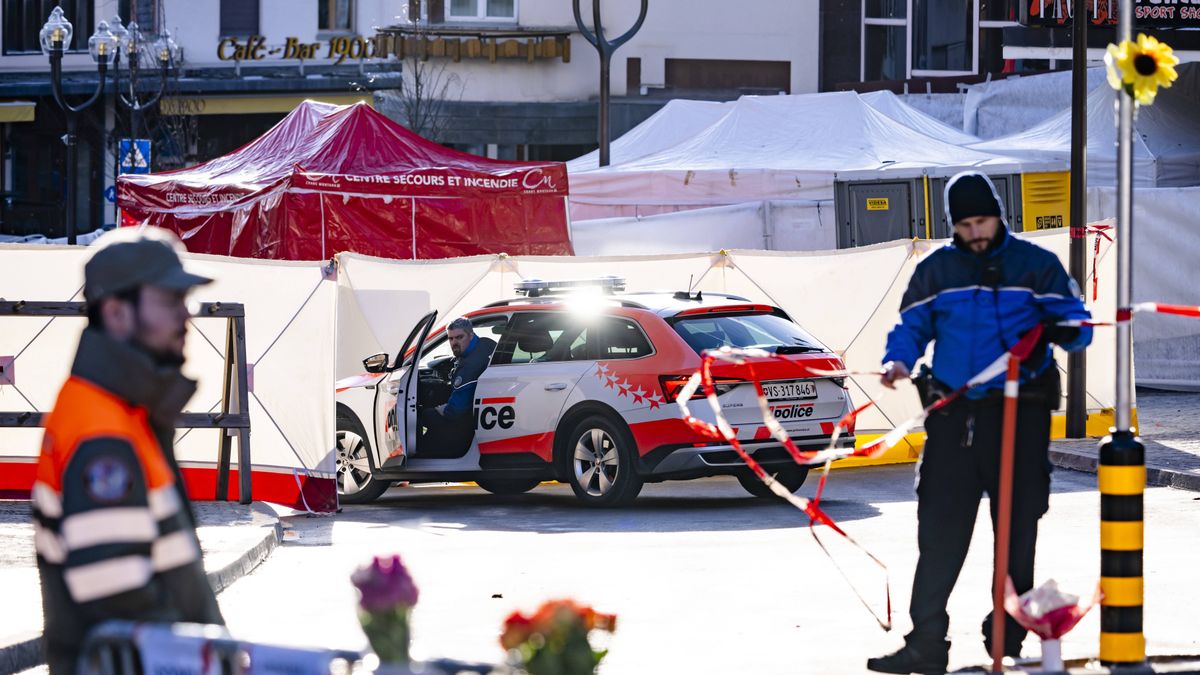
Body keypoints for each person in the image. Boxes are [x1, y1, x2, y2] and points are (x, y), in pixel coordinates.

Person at [867, 172, 1092, 674]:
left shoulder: (1037, 265)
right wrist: (897, 360)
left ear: (999, 215)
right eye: (965, 224)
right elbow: (910, 326)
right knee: (939, 533)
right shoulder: (937, 270)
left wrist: (1065, 327)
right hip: (952, 420)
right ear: (954, 226)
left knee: (1017, 531)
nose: (976, 231)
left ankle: (1006, 635)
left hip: (1020, 417)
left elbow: (1078, 326)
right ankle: (926, 643)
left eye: (983, 220)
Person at [31, 228, 225, 675]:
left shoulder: (118, 412)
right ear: (117, 312)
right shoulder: (102, 429)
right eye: (170, 301)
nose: (185, 317)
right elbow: (115, 591)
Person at [417, 317, 496, 458]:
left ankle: (422, 451)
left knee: (426, 414)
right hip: (481, 412)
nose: (454, 343)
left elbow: (455, 411)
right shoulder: (486, 343)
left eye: (459, 337)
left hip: (467, 422)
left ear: (471, 335)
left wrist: (441, 409)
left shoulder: (470, 366)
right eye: (451, 339)